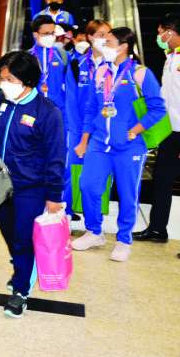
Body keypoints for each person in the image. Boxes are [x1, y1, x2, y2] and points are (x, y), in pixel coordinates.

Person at [72, 27, 167, 262]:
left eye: (109, 42)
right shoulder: (100, 72)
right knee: (88, 185)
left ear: (123, 46)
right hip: (99, 144)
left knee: (127, 193)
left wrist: (135, 131)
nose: (103, 45)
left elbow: (158, 109)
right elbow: (91, 109)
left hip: (128, 146)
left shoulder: (140, 74)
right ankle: (94, 232)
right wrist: (84, 140)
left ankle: (124, 240)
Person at [0, 51, 65, 318]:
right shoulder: (2, 101)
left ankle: (20, 291)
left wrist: (54, 195)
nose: (4, 84)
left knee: (23, 238)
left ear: (27, 80)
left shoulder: (47, 112)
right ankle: (22, 265)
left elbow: (56, 155)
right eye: (2, 78)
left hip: (30, 188)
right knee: (10, 232)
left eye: (10, 79)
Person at [134, 14, 180, 243]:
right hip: (170, 131)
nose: (159, 36)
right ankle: (157, 229)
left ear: (170, 32)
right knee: (162, 179)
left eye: (161, 32)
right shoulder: (171, 57)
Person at [65, 20, 111, 218]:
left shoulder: (114, 64)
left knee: (99, 174)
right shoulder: (77, 65)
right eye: (101, 34)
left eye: (108, 34)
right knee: (72, 169)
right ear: (90, 37)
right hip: (78, 128)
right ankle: (68, 210)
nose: (106, 39)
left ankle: (95, 217)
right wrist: (76, 133)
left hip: (104, 128)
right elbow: (70, 101)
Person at [30, 15, 68, 119]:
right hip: (34, 113)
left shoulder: (63, 55)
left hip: (57, 112)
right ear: (35, 34)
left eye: (52, 33)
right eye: (46, 33)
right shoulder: (27, 58)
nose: (51, 37)